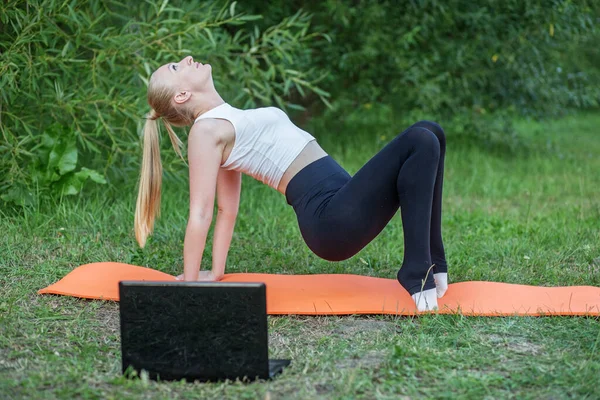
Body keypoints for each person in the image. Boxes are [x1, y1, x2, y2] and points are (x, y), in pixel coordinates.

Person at [134, 56, 449, 311]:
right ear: (182, 96)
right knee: (420, 139)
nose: (187, 59)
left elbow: (227, 210)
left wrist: (215, 273)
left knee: (431, 132)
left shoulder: (227, 119)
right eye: (176, 67)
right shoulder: (204, 132)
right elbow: (202, 213)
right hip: (331, 221)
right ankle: (416, 269)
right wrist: (190, 286)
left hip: (341, 201)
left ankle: (433, 262)